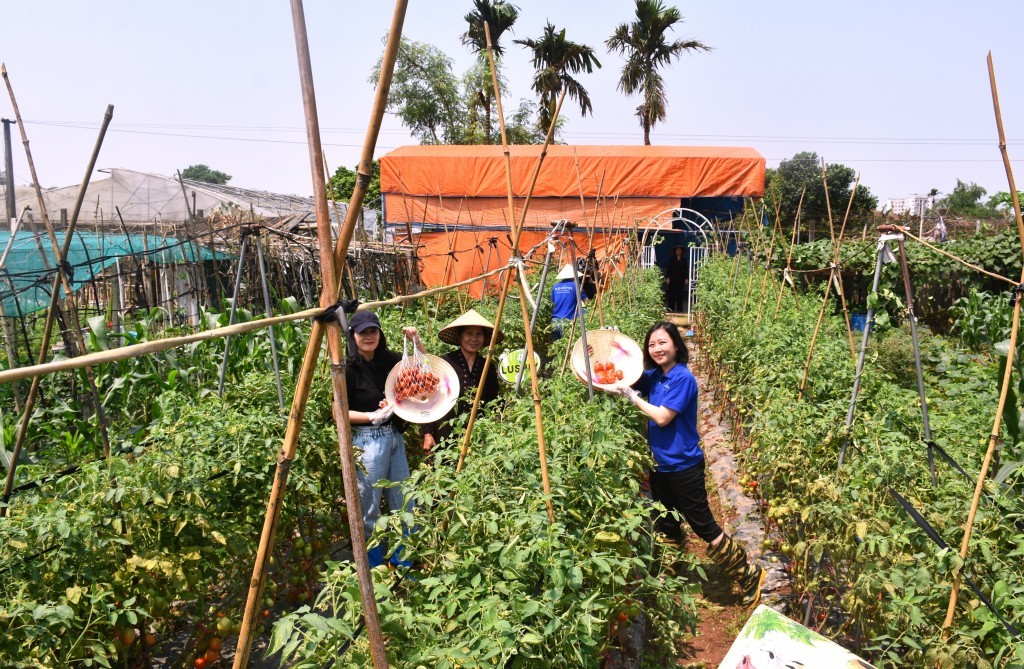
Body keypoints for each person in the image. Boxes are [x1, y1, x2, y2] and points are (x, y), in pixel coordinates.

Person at [600, 321, 766, 608]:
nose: (657, 348)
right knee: (666, 520)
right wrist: (617, 348)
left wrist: (631, 398)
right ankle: (670, 571)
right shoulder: (654, 377)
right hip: (660, 465)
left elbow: (663, 417)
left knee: (703, 526)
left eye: (662, 342)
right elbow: (626, 375)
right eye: (651, 344)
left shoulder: (683, 379)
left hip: (684, 467)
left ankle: (749, 574)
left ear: (676, 345)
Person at [345, 310, 421, 567]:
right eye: (362, 332)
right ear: (352, 336)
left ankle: (404, 565)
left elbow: (419, 369)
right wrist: (371, 416)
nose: (369, 336)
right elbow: (339, 413)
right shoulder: (347, 369)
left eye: (373, 331)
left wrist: (416, 342)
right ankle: (375, 570)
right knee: (370, 509)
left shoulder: (389, 359)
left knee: (403, 503)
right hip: (367, 441)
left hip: (393, 437)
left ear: (380, 333)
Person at [421, 309, 502, 452]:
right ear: (460, 336)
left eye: (479, 334)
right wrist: (428, 433)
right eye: (469, 333)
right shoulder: (444, 363)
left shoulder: (487, 365)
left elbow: (493, 398)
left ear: (484, 338)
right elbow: (429, 399)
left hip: (478, 432)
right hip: (446, 431)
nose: (474, 339)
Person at [550, 264, 588, 342]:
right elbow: (587, 302)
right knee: (568, 346)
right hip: (568, 321)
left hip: (555, 321)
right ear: (573, 276)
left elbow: (554, 302)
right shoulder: (576, 286)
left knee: (556, 347)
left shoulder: (555, 287)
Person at [666, 245, 688, 313]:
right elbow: (669, 269)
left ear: (681, 251)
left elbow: (686, 270)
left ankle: (679, 309)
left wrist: (686, 278)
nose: (678, 251)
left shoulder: (684, 259)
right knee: (671, 295)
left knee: (680, 295)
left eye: (679, 250)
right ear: (675, 251)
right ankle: (670, 309)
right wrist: (667, 277)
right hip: (672, 279)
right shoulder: (671, 259)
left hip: (681, 279)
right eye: (677, 250)